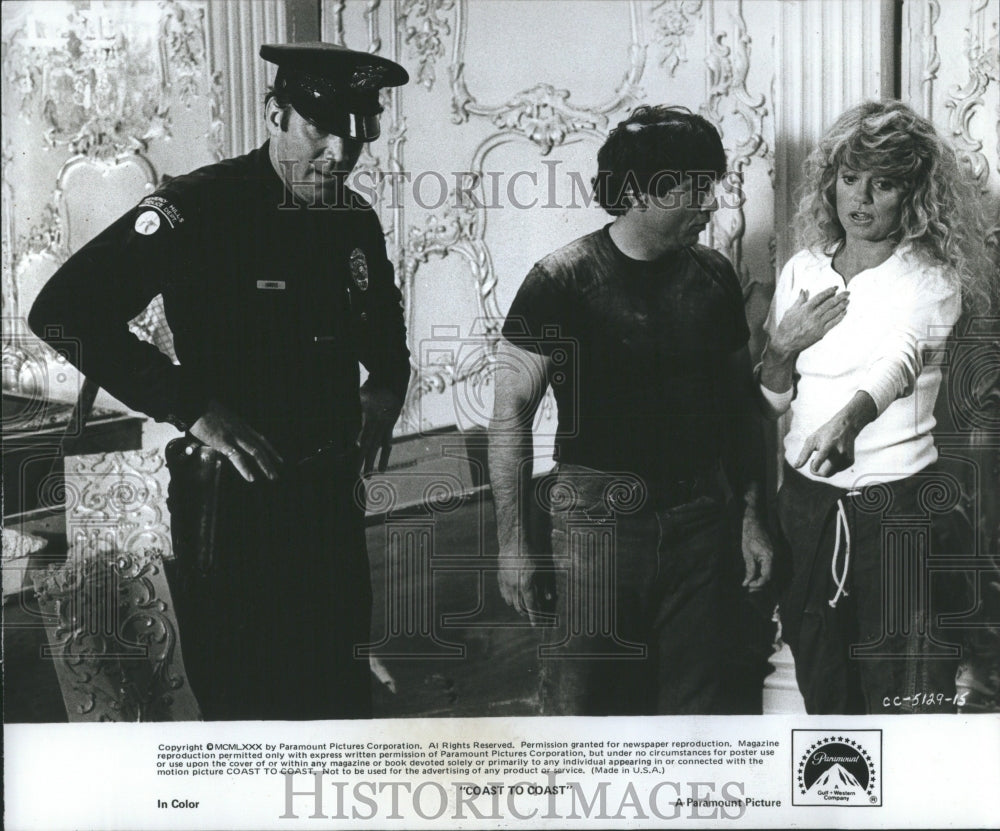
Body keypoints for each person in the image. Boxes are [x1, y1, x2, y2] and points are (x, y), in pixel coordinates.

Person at [28, 43, 411, 720]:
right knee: (248, 703)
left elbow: (383, 330)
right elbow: (64, 310)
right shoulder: (201, 208)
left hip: (328, 503)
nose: (340, 156)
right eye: (320, 131)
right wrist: (191, 405)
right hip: (235, 507)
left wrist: (386, 384)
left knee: (337, 698)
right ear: (275, 114)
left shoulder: (352, 219)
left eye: (355, 136)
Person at [488, 105, 774, 716]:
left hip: (700, 518)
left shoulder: (715, 275)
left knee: (693, 709)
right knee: (583, 706)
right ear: (643, 192)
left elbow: (739, 409)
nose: (709, 205)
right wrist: (512, 544)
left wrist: (751, 516)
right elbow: (509, 415)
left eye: (711, 187)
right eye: (696, 189)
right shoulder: (560, 280)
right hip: (597, 522)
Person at [758, 100, 999, 714]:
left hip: (900, 515)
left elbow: (902, 358)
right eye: (849, 178)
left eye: (883, 183)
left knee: (908, 699)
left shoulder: (931, 276)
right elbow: (774, 398)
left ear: (913, 195)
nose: (859, 198)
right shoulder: (800, 271)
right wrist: (781, 348)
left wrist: (851, 418)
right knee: (825, 689)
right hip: (807, 508)